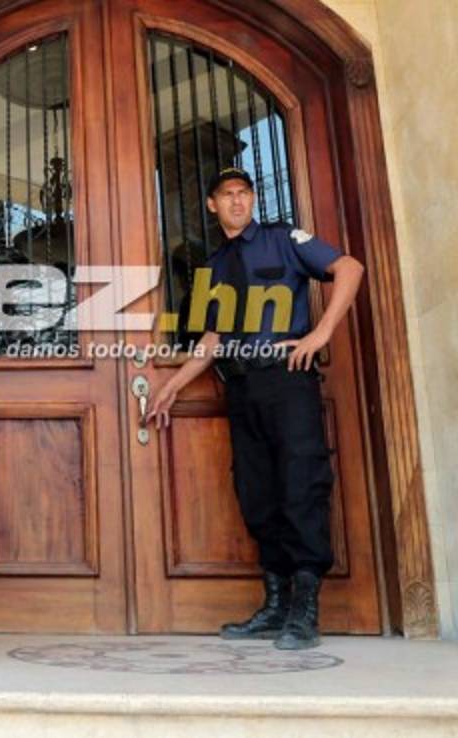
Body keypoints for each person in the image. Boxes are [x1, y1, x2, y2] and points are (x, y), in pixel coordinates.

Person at [145, 167, 364, 651]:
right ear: (212, 205)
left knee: (301, 484)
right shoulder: (212, 266)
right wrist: (174, 385)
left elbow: (349, 268)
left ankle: (304, 610)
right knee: (258, 493)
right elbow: (211, 339)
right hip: (241, 390)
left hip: (287, 383)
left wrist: (321, 333)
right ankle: (275, 605)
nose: (238, 202)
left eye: (245, 194)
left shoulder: (284, 238)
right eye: (227, 195)